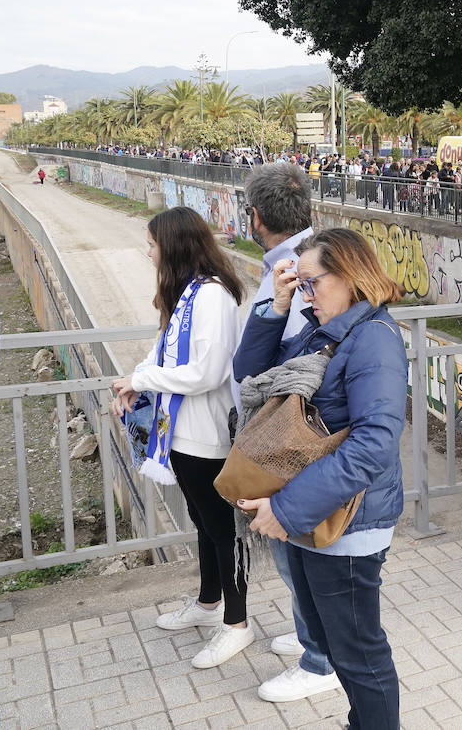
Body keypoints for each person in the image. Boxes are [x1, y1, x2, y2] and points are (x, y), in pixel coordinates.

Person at [233, 228, 407, 728]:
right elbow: (251, 375)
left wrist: (285, 510)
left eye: (311, 283)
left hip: (345, 523)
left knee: (358, 653)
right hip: (316, 514)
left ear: (349, 275)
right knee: (333, 642)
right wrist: (278, 307)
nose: (306, 293)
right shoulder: (323, 327)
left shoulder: (373, 339)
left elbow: (373, 445)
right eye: (300, 285)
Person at [110, 207, 247, 668]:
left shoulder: (211, 297)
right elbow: (163, 350)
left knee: (223, 530)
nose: (147, 252)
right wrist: (135, 379)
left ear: (173, 245)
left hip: (206, 434)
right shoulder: (186, 295)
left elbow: (206, 373)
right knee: (203, 524)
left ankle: (237, 623)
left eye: (151, 244)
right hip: (181, 435)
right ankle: (209, 604)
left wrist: (144, 381)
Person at [234, 163, 340, 703]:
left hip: (295, 437)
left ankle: (320, 658)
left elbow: (290, 367)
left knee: (301, 547)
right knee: (289, 548)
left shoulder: (307, 269)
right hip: (283, 433)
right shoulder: (286, 270)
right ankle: (309, 637)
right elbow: (251, 365)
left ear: (255, 216)